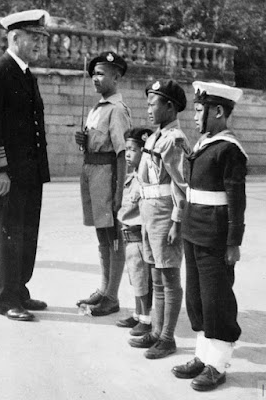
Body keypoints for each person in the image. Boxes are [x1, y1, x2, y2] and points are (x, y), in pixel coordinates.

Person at [0, 9, 51, 321]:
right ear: (15, 37)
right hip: (6, 175)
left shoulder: (26, 75)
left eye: (40, 39)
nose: (38, 44)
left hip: (29, 174)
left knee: (25, 234)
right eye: (33, 38)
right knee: (6, 235)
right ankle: (7, 300)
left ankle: (20, 290)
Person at [171, 81, 247, 391]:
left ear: (218, 111)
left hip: (215, 237)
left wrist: (233, 242)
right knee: (198, 299)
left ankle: (218, 364)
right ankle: (203, 356)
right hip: (194, 231)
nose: (193, 117)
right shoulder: (204, 144)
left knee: (217, 300)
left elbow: (236, 201)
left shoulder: (229, 150)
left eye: (199, 111)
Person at [128, 79, 190, 359]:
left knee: (168, 275)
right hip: (149, 212)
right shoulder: (154, 137)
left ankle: (167, 337)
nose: (149, 109)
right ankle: (155, 330)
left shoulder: (174, 139)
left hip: (165, 213)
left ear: (170, 106)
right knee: (155, 273)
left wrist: (177, 221)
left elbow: (181, 184)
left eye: (154, 104)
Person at [75, 51, 132, 316]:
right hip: (92, 173)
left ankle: (112, 295)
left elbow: (122, 154)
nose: (95, 79)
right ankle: (103, 287)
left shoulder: (117, 110)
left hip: (107, 176)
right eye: (94, 74)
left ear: (116, 77)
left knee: (113, 237)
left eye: (101, 74)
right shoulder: (98, 108)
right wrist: (83, 141)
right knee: (101, 234)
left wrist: (120, 192)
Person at [116, 127, 153, 336]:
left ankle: (146, 319)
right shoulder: (133, 175)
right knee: (135, 279)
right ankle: (138, 315)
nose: (128, 154)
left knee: (141, 280)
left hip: (138, 237)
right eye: (127, 149)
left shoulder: (143, 179)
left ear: (144, 152)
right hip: (128, 237)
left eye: (133, 149)